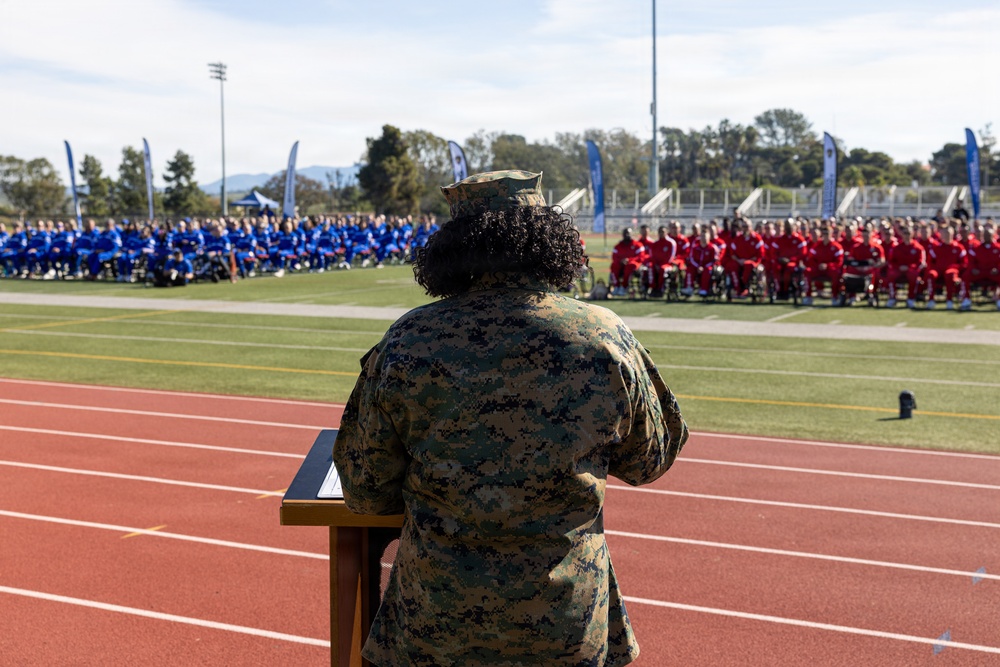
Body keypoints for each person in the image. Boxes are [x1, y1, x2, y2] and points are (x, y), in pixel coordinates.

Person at [334, 170, 688, 667]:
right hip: (566, 620)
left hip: (438, 621)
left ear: (453, 246)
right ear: (549, 238)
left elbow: (365, 487)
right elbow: (650, 460)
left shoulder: (410, 339)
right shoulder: (602, 333)